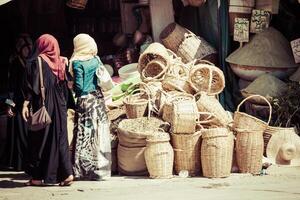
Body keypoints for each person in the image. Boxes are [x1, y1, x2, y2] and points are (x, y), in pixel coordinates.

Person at [22, 34, 73, 186]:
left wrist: (25, 103)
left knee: (41, 140)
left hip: (45, 104)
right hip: (60, 105)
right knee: (61, 138)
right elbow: (66, 87)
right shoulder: (61, 62)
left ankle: (38, 177)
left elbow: (33, 86)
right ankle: (67, 174)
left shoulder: (37, 62)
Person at [70, 33, 111, 180]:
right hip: (98, 101)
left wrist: (72, 87)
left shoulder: (76, 63)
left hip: (85, 102)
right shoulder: (95, 60)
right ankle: (101, 170)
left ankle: (82, 171)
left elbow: (79, 86)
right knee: (98, 135)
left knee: (84, 136)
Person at [0, 34, 32, 171]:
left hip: (27, 103)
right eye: (25, 48)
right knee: (19, 134)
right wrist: (9, 105)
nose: (28, 51)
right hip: (17, 104)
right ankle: (19, 163)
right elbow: (10, 88)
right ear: (20, 49)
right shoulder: (15, 64)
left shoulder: (29, 62)